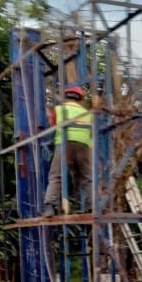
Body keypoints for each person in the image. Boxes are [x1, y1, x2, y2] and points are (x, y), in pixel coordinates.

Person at [42, 86, 92, 217]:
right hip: (83, 145)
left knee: (56, 176)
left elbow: (52, 126)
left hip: (64, 144)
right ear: (80, 99)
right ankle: (93, 206)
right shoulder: (87, 113)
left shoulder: (59, 109)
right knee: (86, 178)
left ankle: (49, 206)